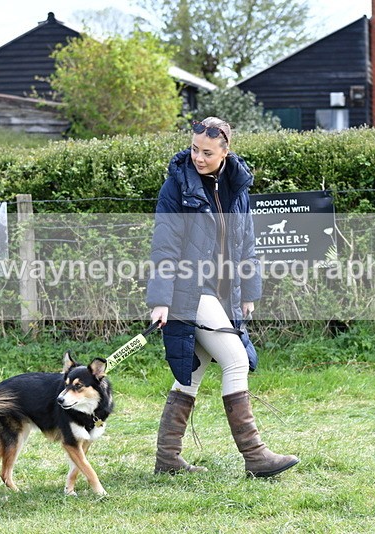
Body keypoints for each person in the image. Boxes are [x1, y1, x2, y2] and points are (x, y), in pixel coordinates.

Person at [146, 117, 299, 478]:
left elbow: (246, 241)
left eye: (208, 152)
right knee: (235, 360)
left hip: (223, 292)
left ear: (225, 151)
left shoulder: (237, 185)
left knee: (192, 370)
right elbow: (164, 245)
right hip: (190, 289)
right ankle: (256, 455)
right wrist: (161, 300)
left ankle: (167, 458)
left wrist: (248, 290)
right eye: (195, 149)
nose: (198, 157)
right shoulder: (176, 187)